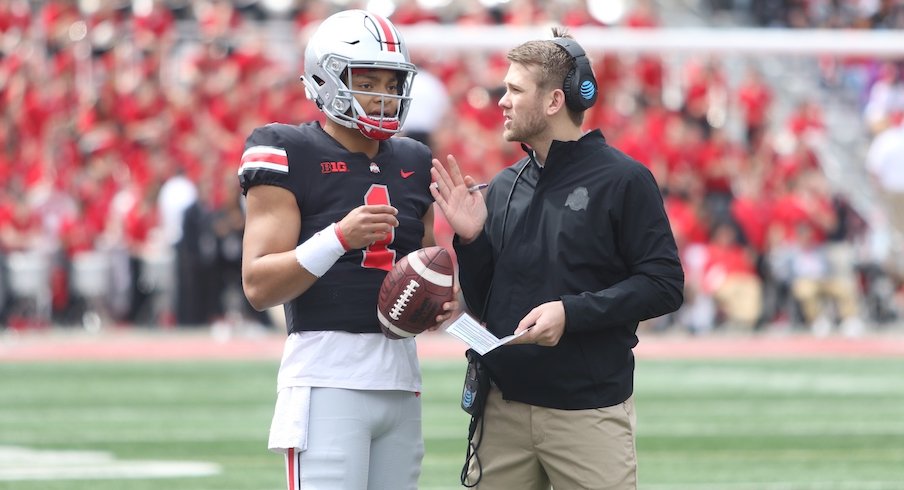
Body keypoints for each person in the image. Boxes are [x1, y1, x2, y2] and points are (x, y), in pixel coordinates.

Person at [430, 28, 684, 489]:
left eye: (514, 90)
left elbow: (664, 284)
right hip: (501, 411)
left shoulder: (625, 180)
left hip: (586, 414)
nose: (501, 101)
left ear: (553, 101)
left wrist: (572, 312)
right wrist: (471, 242)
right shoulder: (504, 185)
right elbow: (489, 305)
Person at [238, 10, 455, 490]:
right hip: (326, 380)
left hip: (401, 380)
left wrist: (444, 296)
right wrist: (337, 238)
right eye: (368, 81)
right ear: (326, 78)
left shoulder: (415, 160)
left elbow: (422, 270)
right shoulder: (286, 149)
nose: (384, 95)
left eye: (391, 81)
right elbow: (257, 285)